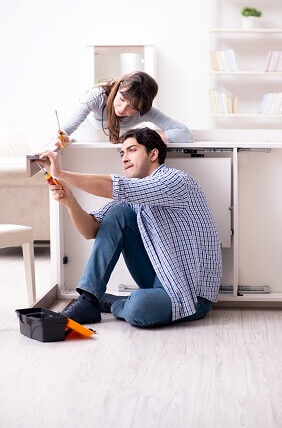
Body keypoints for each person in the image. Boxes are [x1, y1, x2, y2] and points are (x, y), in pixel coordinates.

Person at [40, 127, 221, 328]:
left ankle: (116, 303)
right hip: (157, 280)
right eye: (122, 153)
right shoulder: (133, 195)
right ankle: (89, 299)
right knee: (118, 213)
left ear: (154, 154)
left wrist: (61, 174)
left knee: (138, 308)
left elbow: (117, 186)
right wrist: (70, 202)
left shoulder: (175, 180)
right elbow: (90, 230)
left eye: (132, 150)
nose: (124, 158)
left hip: (190, 295)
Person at [54, 71, 194, 147]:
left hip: (118, 148)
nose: (122, 109)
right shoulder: (98, 96)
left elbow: (185, 134)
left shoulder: (146, 111)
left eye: (132, 107)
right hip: (87, 143)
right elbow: (67, 127)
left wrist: (142, 137)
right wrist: (61, 136)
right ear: (119, 87)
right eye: (121, 99)